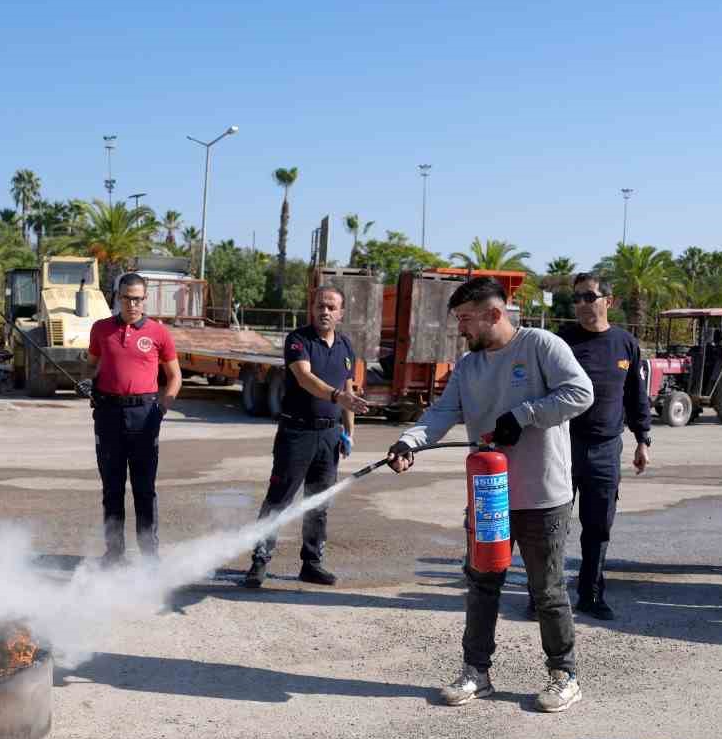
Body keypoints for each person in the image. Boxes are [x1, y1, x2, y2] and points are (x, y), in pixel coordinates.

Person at [386, 277, 594, 712]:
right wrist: (410, 442)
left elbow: (581, 393)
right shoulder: (469, 366)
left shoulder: (541, 346)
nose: (461, 328)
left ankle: (564, 674)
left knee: (547, 589)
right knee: (481, 584)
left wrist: (524, 415)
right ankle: (476, 672)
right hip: (489, 496)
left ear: (494, 314)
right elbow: (443, 413)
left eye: (465, 319)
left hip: (542, 496)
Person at [243, 286, 369, 588]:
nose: (324, 311)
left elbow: (348, 391)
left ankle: (312, 563)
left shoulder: (346, 347)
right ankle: (259, 562)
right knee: (279, 499)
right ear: (312, 309)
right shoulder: (298, 341)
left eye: (330, 307)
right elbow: (304, 378)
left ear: (340, 313)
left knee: (319, 502)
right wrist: (338, 396)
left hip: (329, 435)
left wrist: (348, 431)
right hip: (297, 432)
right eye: (319, 306)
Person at [557, 273, 651, 620]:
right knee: (553, 524)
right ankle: (544, 597)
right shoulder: (560, 342)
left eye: (589, 297)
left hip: (606, 449)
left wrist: (643, 439)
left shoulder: (626, 344)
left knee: (598, 527)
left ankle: (591, 594)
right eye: (577, 298)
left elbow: (636, 397)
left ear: (608, 301)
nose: (582, 304)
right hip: (561, 447)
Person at [86, 273, 182, 563]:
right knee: (112, 488)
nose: (132, 304)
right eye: (127, 298)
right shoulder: (101, 329)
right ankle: (114, 553)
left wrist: (161, 409)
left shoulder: (158, 333)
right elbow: (90, 367)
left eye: (138, 298)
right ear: (118, 297)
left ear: (145, 299)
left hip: (145, 416)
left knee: (144, 488)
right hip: (108, 415)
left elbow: (175, 377)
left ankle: (149, 554)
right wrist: (87, 382)